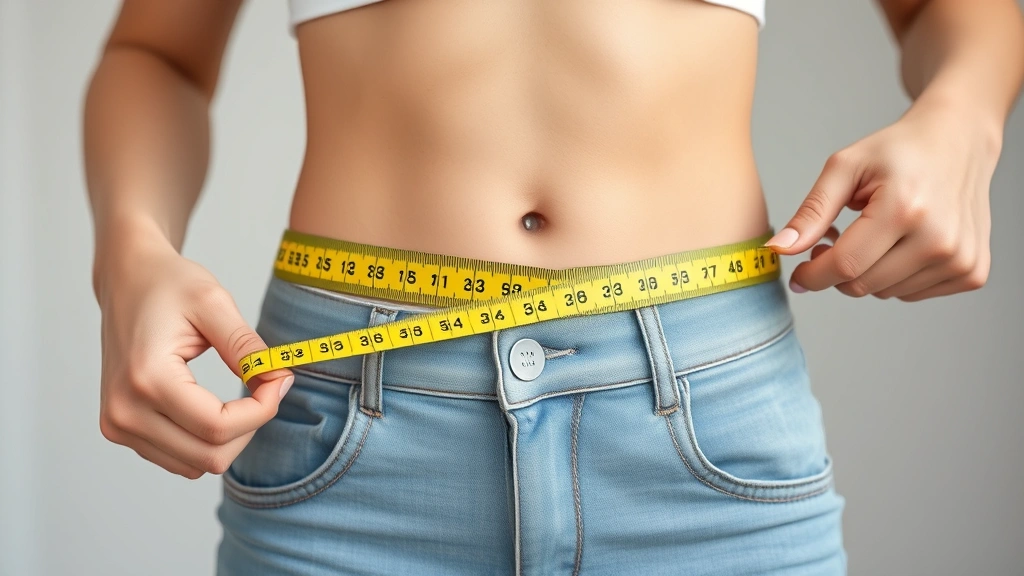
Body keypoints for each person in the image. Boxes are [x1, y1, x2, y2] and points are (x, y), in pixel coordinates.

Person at [82, 0, 1024, 574]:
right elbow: (157, 53)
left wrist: (963, 119)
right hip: (349, 441)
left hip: (706, 426)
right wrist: (129, 248)